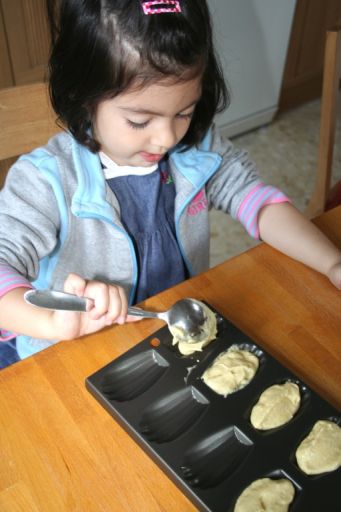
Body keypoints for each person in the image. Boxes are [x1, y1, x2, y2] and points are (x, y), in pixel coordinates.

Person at [0, 0, 340, 369]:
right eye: (139, 121)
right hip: (72, 353)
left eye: (184, 112)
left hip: (169, 334)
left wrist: (333, 263)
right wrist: (55, 321)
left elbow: (258, 202)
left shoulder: (195, 148)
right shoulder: (45, 180)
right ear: (83, 98)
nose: (166, 138)